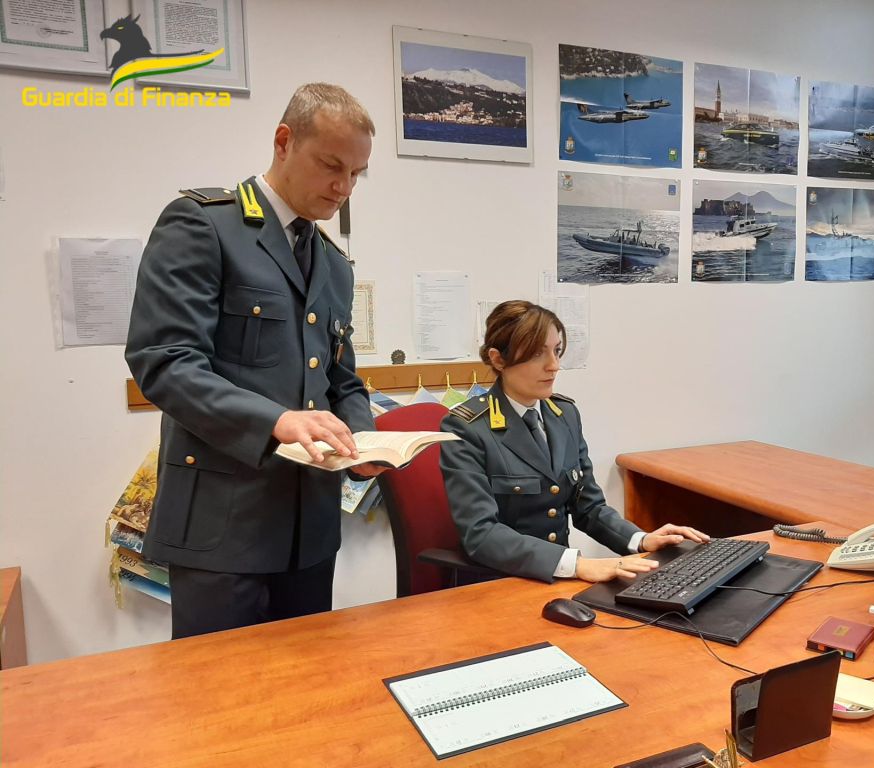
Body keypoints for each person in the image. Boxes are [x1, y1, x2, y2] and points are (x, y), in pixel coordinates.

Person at [125, 83, 385, 639]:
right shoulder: (204, 225)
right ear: (284, 142)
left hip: (310, 528)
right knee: (216, 688)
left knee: (309, 680)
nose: (343, 188)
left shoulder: (333, 264)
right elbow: (165, 362)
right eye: (331, 166)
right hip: (223, 526)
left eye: (356, 174)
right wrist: (276, 420)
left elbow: (341, 380)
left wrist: (363, 444)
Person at [440, 301, 709, 583]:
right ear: (498, 360)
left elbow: (588, 507)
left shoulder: (564, 415)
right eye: (537, 354)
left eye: (556, 351)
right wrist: (578, 565)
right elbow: (481, 533)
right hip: (502, 581)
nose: (554, 366)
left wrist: (640, 539)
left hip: (559, 578)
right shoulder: (466, 428)